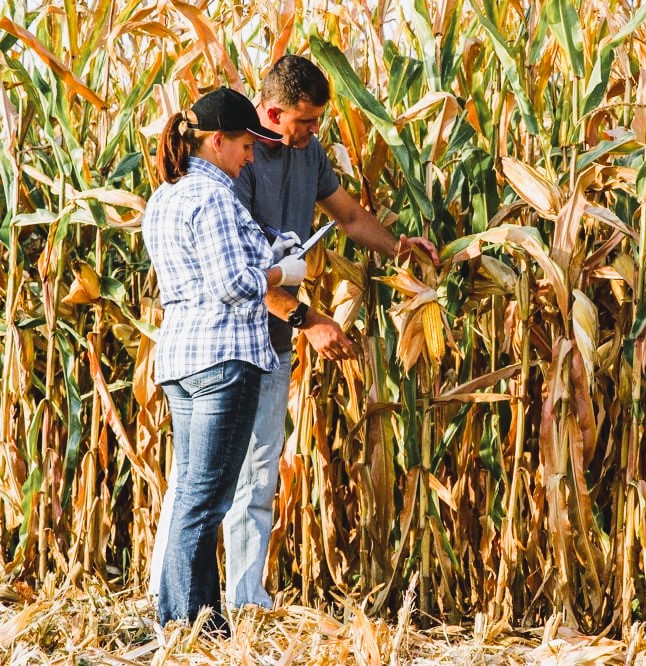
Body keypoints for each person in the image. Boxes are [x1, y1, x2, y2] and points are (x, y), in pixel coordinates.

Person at [149, 56, 438, 609]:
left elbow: (350, 218)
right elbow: (237, 277)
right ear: (272, 112)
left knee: (253, 477)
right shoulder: (232, 167)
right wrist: (308, 319)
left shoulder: (307, 154)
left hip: (264, 347)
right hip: (228, 346)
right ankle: (175, 606)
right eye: (304, 122)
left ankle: (243, 602)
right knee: (202, 486)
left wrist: (401, 249)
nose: (313, 133)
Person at [142, 86, 307, 633]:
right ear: (216, 142)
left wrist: (273, 250)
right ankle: (187, 623)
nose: (250, 155)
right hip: (222, 359)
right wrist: (285, 275)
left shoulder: (167, 194)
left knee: (191, 492)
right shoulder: (213, 198)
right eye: (242, 145)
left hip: (182, 360)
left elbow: (219, 264)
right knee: (205, 503)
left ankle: (193, 622)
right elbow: (234, 284)